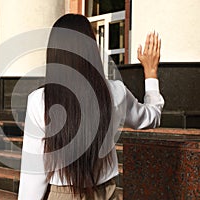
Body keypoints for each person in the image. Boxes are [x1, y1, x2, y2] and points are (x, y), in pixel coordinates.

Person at [18, 14, 164, 199]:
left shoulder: (39, 100)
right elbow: (151, 117)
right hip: (106, 193)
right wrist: (151, 73)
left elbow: (34, 174)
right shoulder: (115, 92)